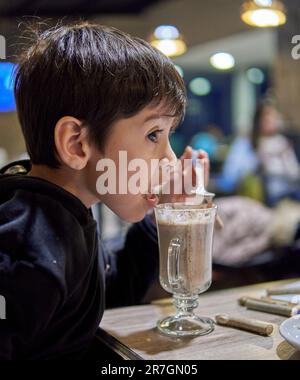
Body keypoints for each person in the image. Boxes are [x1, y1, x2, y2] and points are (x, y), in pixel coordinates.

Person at [0, 22, 209, 359]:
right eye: (154, 134)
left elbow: (107, 294)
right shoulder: (27, 249)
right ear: (76, 143)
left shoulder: (68, 212)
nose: (170, 158)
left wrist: (160, 219)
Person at [215, 99, 300, 205]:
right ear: (257, 120)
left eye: (273, 116)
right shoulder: (245, 142)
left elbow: (295, 174)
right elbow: (230, 177)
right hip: (256, 199)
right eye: (266, 116)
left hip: (286, 196)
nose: (270, 120)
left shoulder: (282, 142)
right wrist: (257, 160)